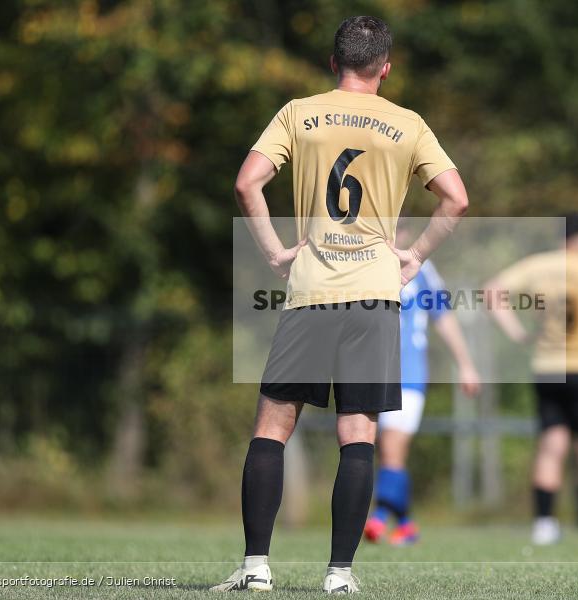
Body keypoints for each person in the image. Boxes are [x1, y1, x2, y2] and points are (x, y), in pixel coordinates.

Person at [213, 16, 469, 593]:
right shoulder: (408, 123)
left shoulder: (299, 112)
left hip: (311, 291)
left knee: (272, 429)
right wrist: (415, 257)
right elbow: (456, 198)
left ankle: (255, 569)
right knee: (358, 435)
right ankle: (339, 575)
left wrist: (276, 251)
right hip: (376, 296)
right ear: (385, 68)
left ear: (333, 63)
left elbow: (246, 182)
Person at [486, 213, 578, 545]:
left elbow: (492, 292)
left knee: (552, 446)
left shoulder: (538, 265)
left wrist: (518, 333)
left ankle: (545, 523)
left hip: (547, 366)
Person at [363, 225, 481, 546]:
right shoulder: (367, 263)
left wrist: (466, 365)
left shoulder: (423, 270)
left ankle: (379, 517)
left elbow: (444, 318)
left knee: (392, 448)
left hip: (409, 374)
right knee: (381, 452)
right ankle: (406, 525)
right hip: (373, 371)